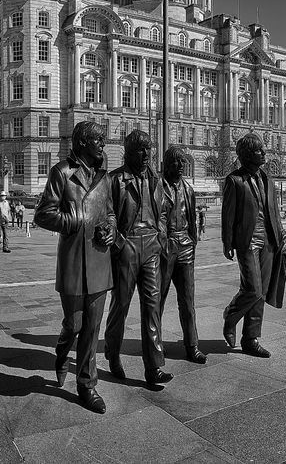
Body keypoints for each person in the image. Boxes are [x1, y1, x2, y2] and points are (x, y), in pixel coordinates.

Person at [35, 120, 115, 414]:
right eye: (99, 141)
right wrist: (76, 221)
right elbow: (43, 214)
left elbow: (110, 213)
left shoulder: (103, 178)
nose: (103, 147)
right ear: (82, 143)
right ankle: (61, 351)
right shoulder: (62, 173)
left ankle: (87, 385)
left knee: (93, 329)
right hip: (72, 262)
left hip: (99, 261)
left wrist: (111, 229)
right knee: (74, 325)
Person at [104, 130, 173, 388]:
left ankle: (153, 367)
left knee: (152, 307)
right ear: (128, 151)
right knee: (120, 305)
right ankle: (112, 352)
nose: (146, 154)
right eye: (140, 150)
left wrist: (161, 234)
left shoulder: (155, 179)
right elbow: (107, 213)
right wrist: (120, 243)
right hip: (128, 246)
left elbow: (163, 210)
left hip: (152, 246)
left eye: (149, 149)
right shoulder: (115, 180)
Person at [222, 133, 286, 359]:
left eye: (263, 149)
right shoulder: (235, 181)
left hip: (269, 241)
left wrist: (284, 239)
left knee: (260, 292)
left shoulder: (267, 179)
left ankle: (250, 339)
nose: (264, 153)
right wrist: (227, 241)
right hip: (248, 241)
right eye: (259, 150)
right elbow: (228, 215)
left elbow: (275, 213)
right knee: (252, 288)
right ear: (247, 155)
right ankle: (231, 315)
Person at [159, 146, 206, 364]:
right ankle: (155, 343)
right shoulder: (158, 187)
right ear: (167, 164)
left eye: (182, 162)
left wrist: (193, 242)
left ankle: (192, 345)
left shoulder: (188, 189)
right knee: (157, 300)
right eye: (176, 162)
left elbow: (193, 221)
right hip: (166, 246)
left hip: (186, 246)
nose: (180, 166)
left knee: (188, 301)